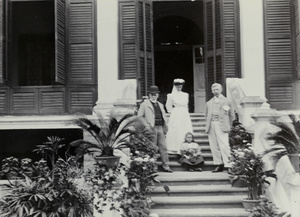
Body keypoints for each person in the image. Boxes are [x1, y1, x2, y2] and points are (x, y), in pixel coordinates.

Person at [137, 85, 173, 173]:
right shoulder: (144, 105)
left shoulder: (160, 105)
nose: (153, 96)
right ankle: (151, 167)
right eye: (152, 94)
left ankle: (166, 165)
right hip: (151, 129)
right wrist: (146, 126)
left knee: (163, 147)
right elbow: (139, 117)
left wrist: (165, 127)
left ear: (158, 95)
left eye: (155, 94)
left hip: (160, 127)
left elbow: (164, 116)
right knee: (152, 148)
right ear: (149, 95)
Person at [205, 83, 234, 173]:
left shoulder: (227, 101)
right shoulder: (209, 103)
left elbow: (231, 115)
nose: (215, 91)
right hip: (211, 124)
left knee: (224, 145)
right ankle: (218, 164)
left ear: (221, 90)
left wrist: (230, 126)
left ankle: (229, 165)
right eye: (213, 90)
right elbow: (206, 115)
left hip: (222, 125)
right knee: (214, 146)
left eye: (217, 89)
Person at [165, 78, 193, 154]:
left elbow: (186, 106)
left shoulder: (185, 95)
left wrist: (185, 113)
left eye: (180, 86)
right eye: (177, 86)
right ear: (175, 86)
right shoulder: (170, 95)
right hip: (176, 113)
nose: (179, 87)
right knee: (176, 129)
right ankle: (174, 147)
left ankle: (185, 147)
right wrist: (173, 113)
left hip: (184, 113)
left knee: (184, 129)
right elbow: (168, 106)